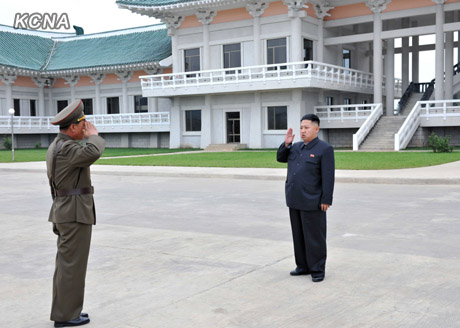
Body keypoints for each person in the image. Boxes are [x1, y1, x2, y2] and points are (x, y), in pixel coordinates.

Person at [46, 99, 105, 327]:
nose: (86, 127)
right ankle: (65, 316)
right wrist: (94, 135)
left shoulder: (57, 146)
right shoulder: (68, 148)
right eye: (82, 124)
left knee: (68, 266)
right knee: (71, 267)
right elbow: (93, 152)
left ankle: (68, 311)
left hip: (66, 212)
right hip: (74, 214)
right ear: (72, 127)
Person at [276, 113, 335, 282]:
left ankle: (317, 270)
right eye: (301, 127)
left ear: (316, 129)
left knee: (314, 238)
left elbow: (328, 176)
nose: (303, 131)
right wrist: (286, 144)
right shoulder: (295, 147)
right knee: (298, 236)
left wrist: (326, 199)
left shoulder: (324, 149)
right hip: (294, 199)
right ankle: (302, 266)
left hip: (313, 200)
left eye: (306, 127)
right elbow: (280, 158)